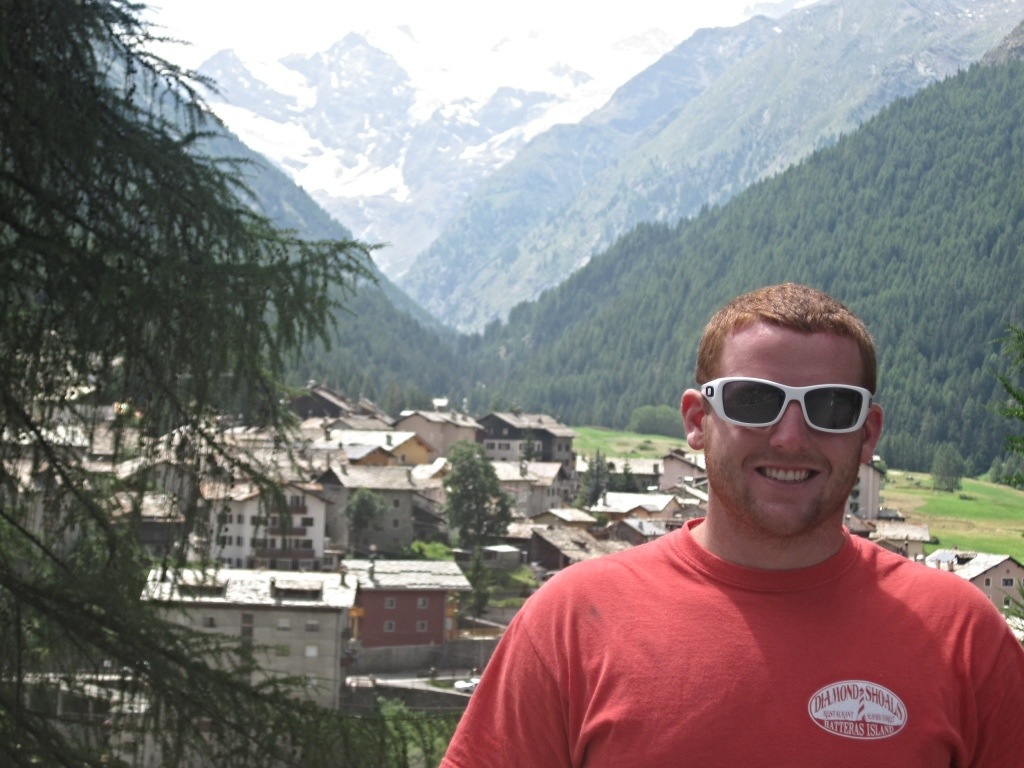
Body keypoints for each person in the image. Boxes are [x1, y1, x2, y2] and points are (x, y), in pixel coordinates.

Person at [440, 283, 1024, 768]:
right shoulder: (570, 622)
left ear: (867, 433)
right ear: (697, 419)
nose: (790, 437)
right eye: (753, 401)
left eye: (830, 406)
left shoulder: (963, 635)